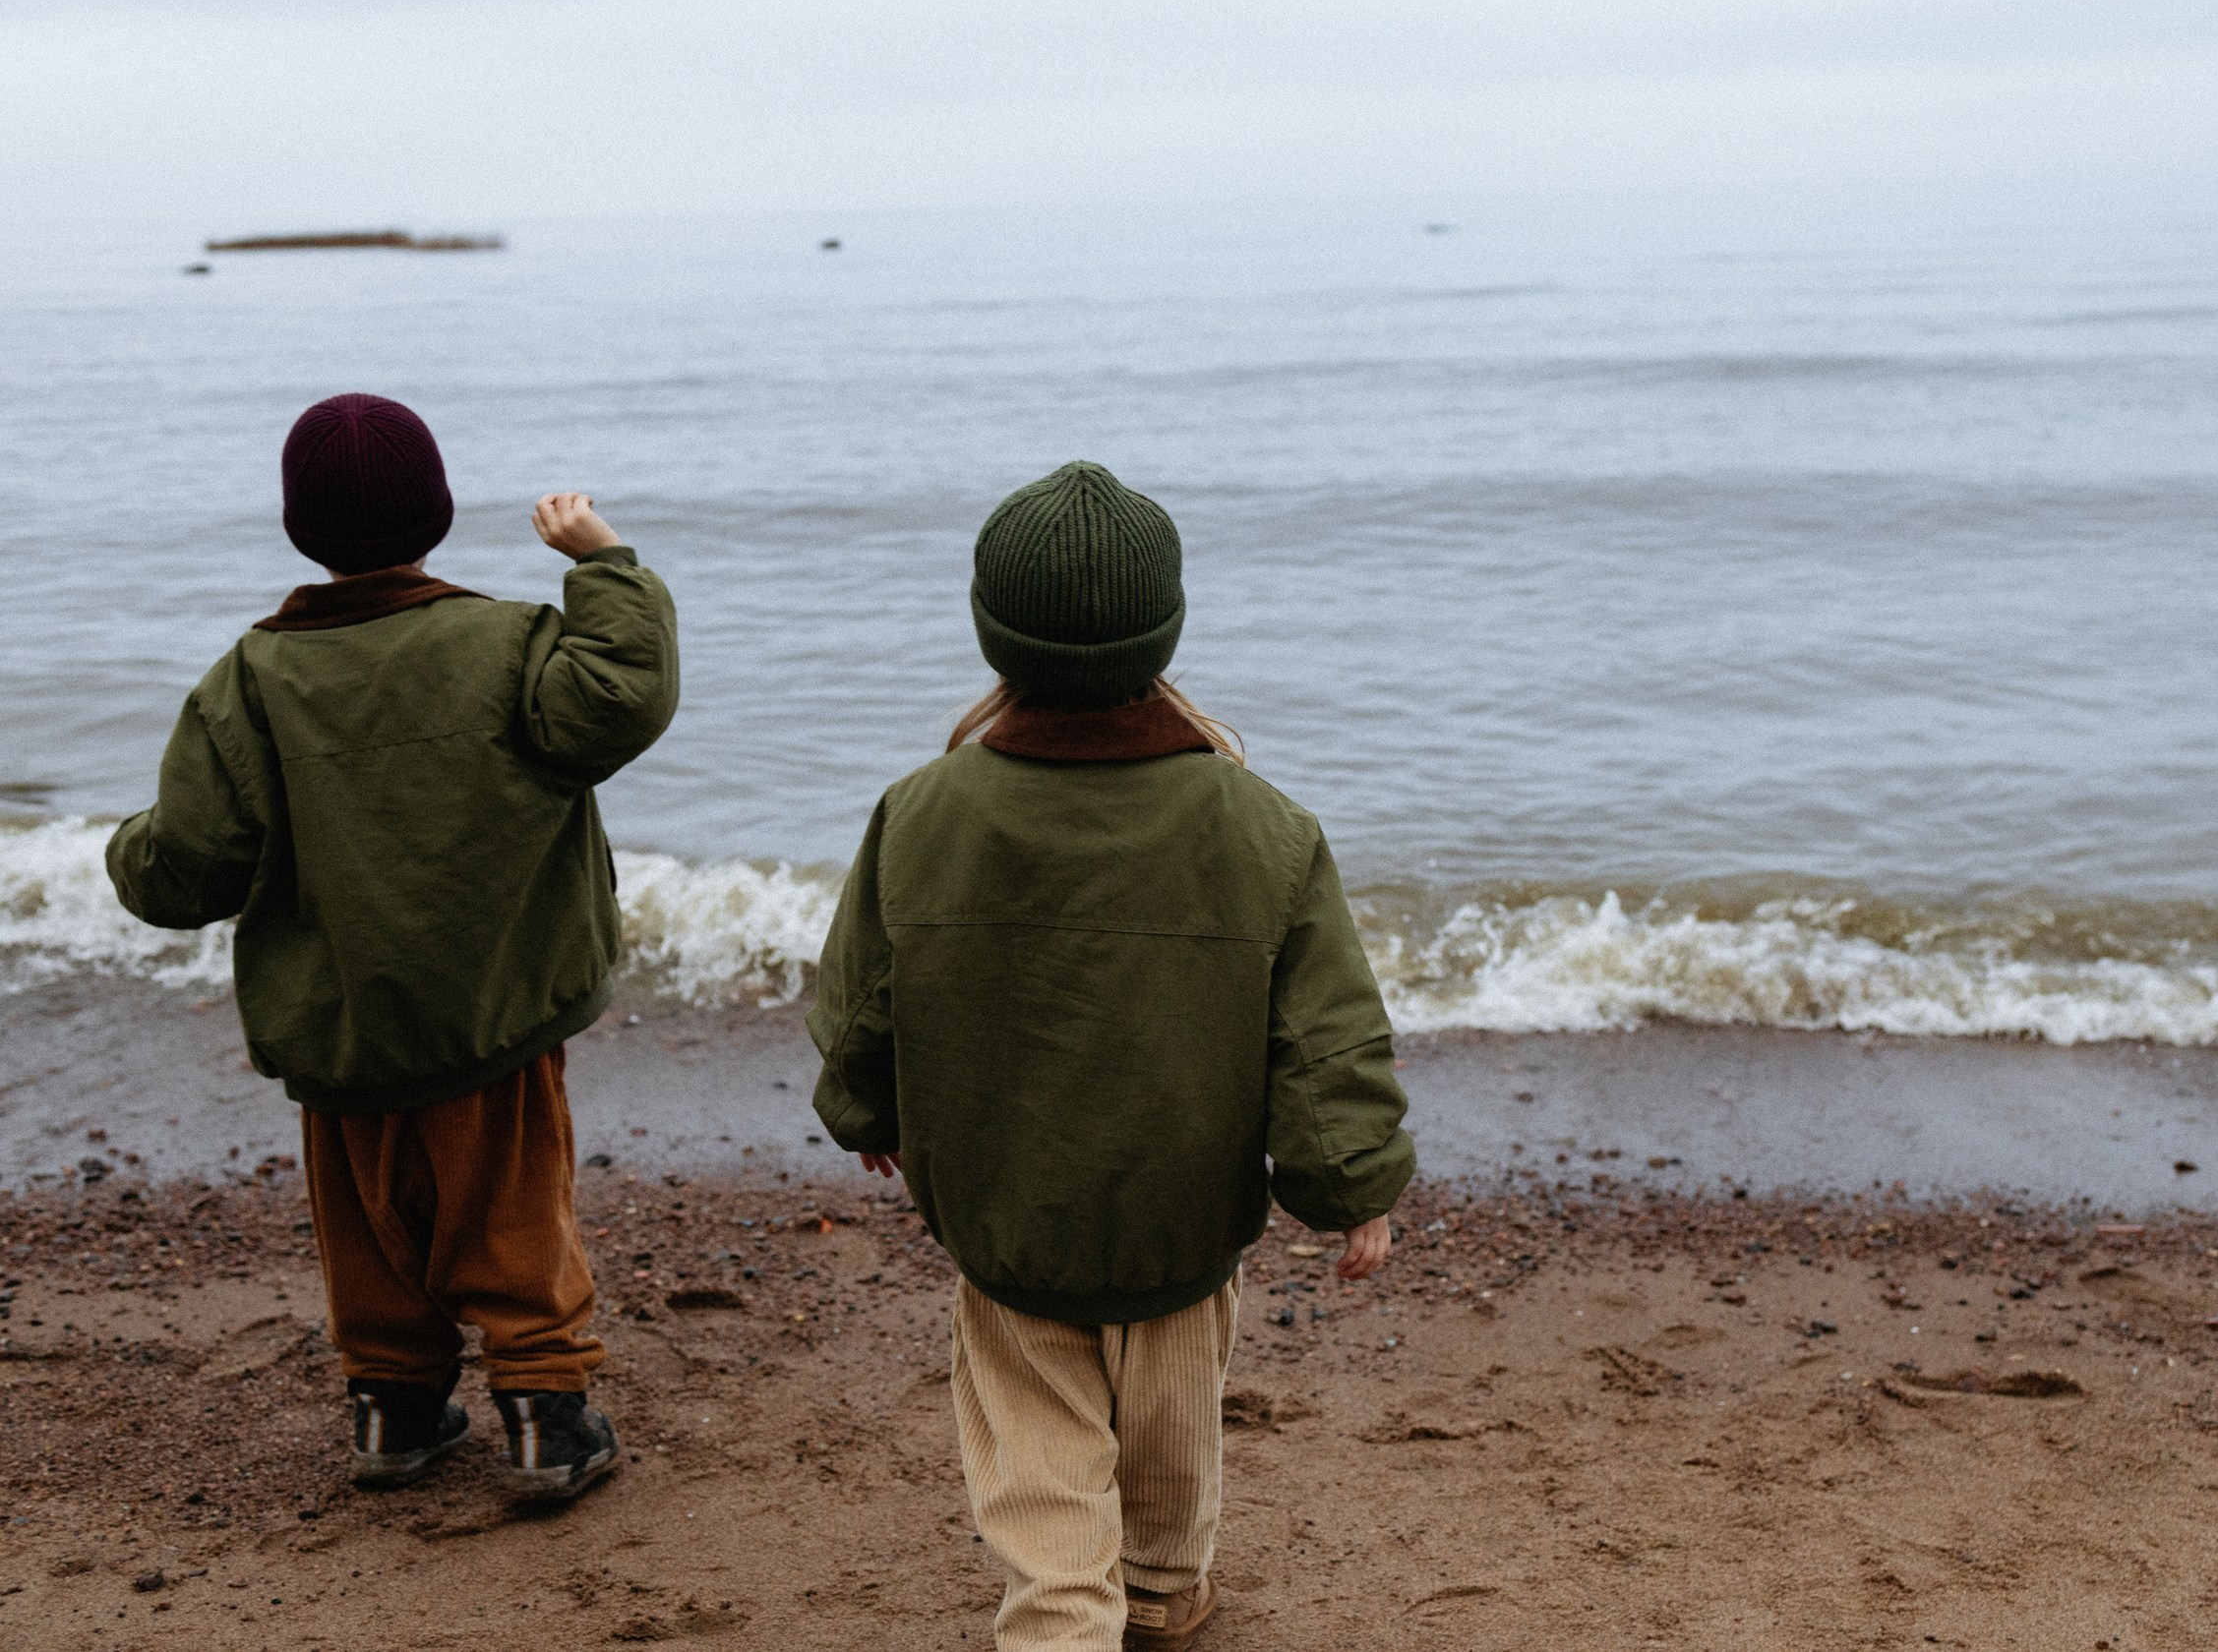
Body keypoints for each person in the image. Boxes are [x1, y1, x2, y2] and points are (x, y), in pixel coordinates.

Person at [808, 460, 1414, 1651]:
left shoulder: (922, 811)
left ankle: (1064, 1615)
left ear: (994, 634)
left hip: (1003, 1211)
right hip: (1185, 1217)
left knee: (1038, 1460)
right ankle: (1159, 1593)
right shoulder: (1262, 825)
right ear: (1165, 629)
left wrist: (863, 1110)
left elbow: (862, 999)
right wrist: (1351, 1187)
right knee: (1174, 1432)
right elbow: (1323, 1036)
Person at [106, 392, 677, 1500]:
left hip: (341, 1029)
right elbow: (623, 696)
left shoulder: (250, 679)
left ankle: (393, 1410)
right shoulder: (508, 642)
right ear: (441, 514)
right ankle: (545, 1417)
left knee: (368, 1227)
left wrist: (127, 851)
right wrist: (603, 564)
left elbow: (188, 866)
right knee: (514, 1215)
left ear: (297, 529)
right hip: (494, 1011)